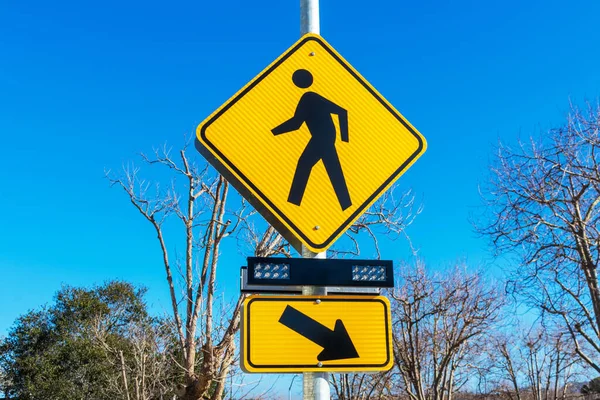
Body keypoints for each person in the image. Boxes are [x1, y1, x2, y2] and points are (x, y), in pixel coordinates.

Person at [272, 69, 352, 211]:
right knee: (332, 170)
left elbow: (296, 123)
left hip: (323, 137)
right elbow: (297, 123)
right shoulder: (311, 97)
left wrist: (345, 139)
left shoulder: (309, 97)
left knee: (305, 164)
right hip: (325, 137)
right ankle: (346, 205)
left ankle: (293, 203)